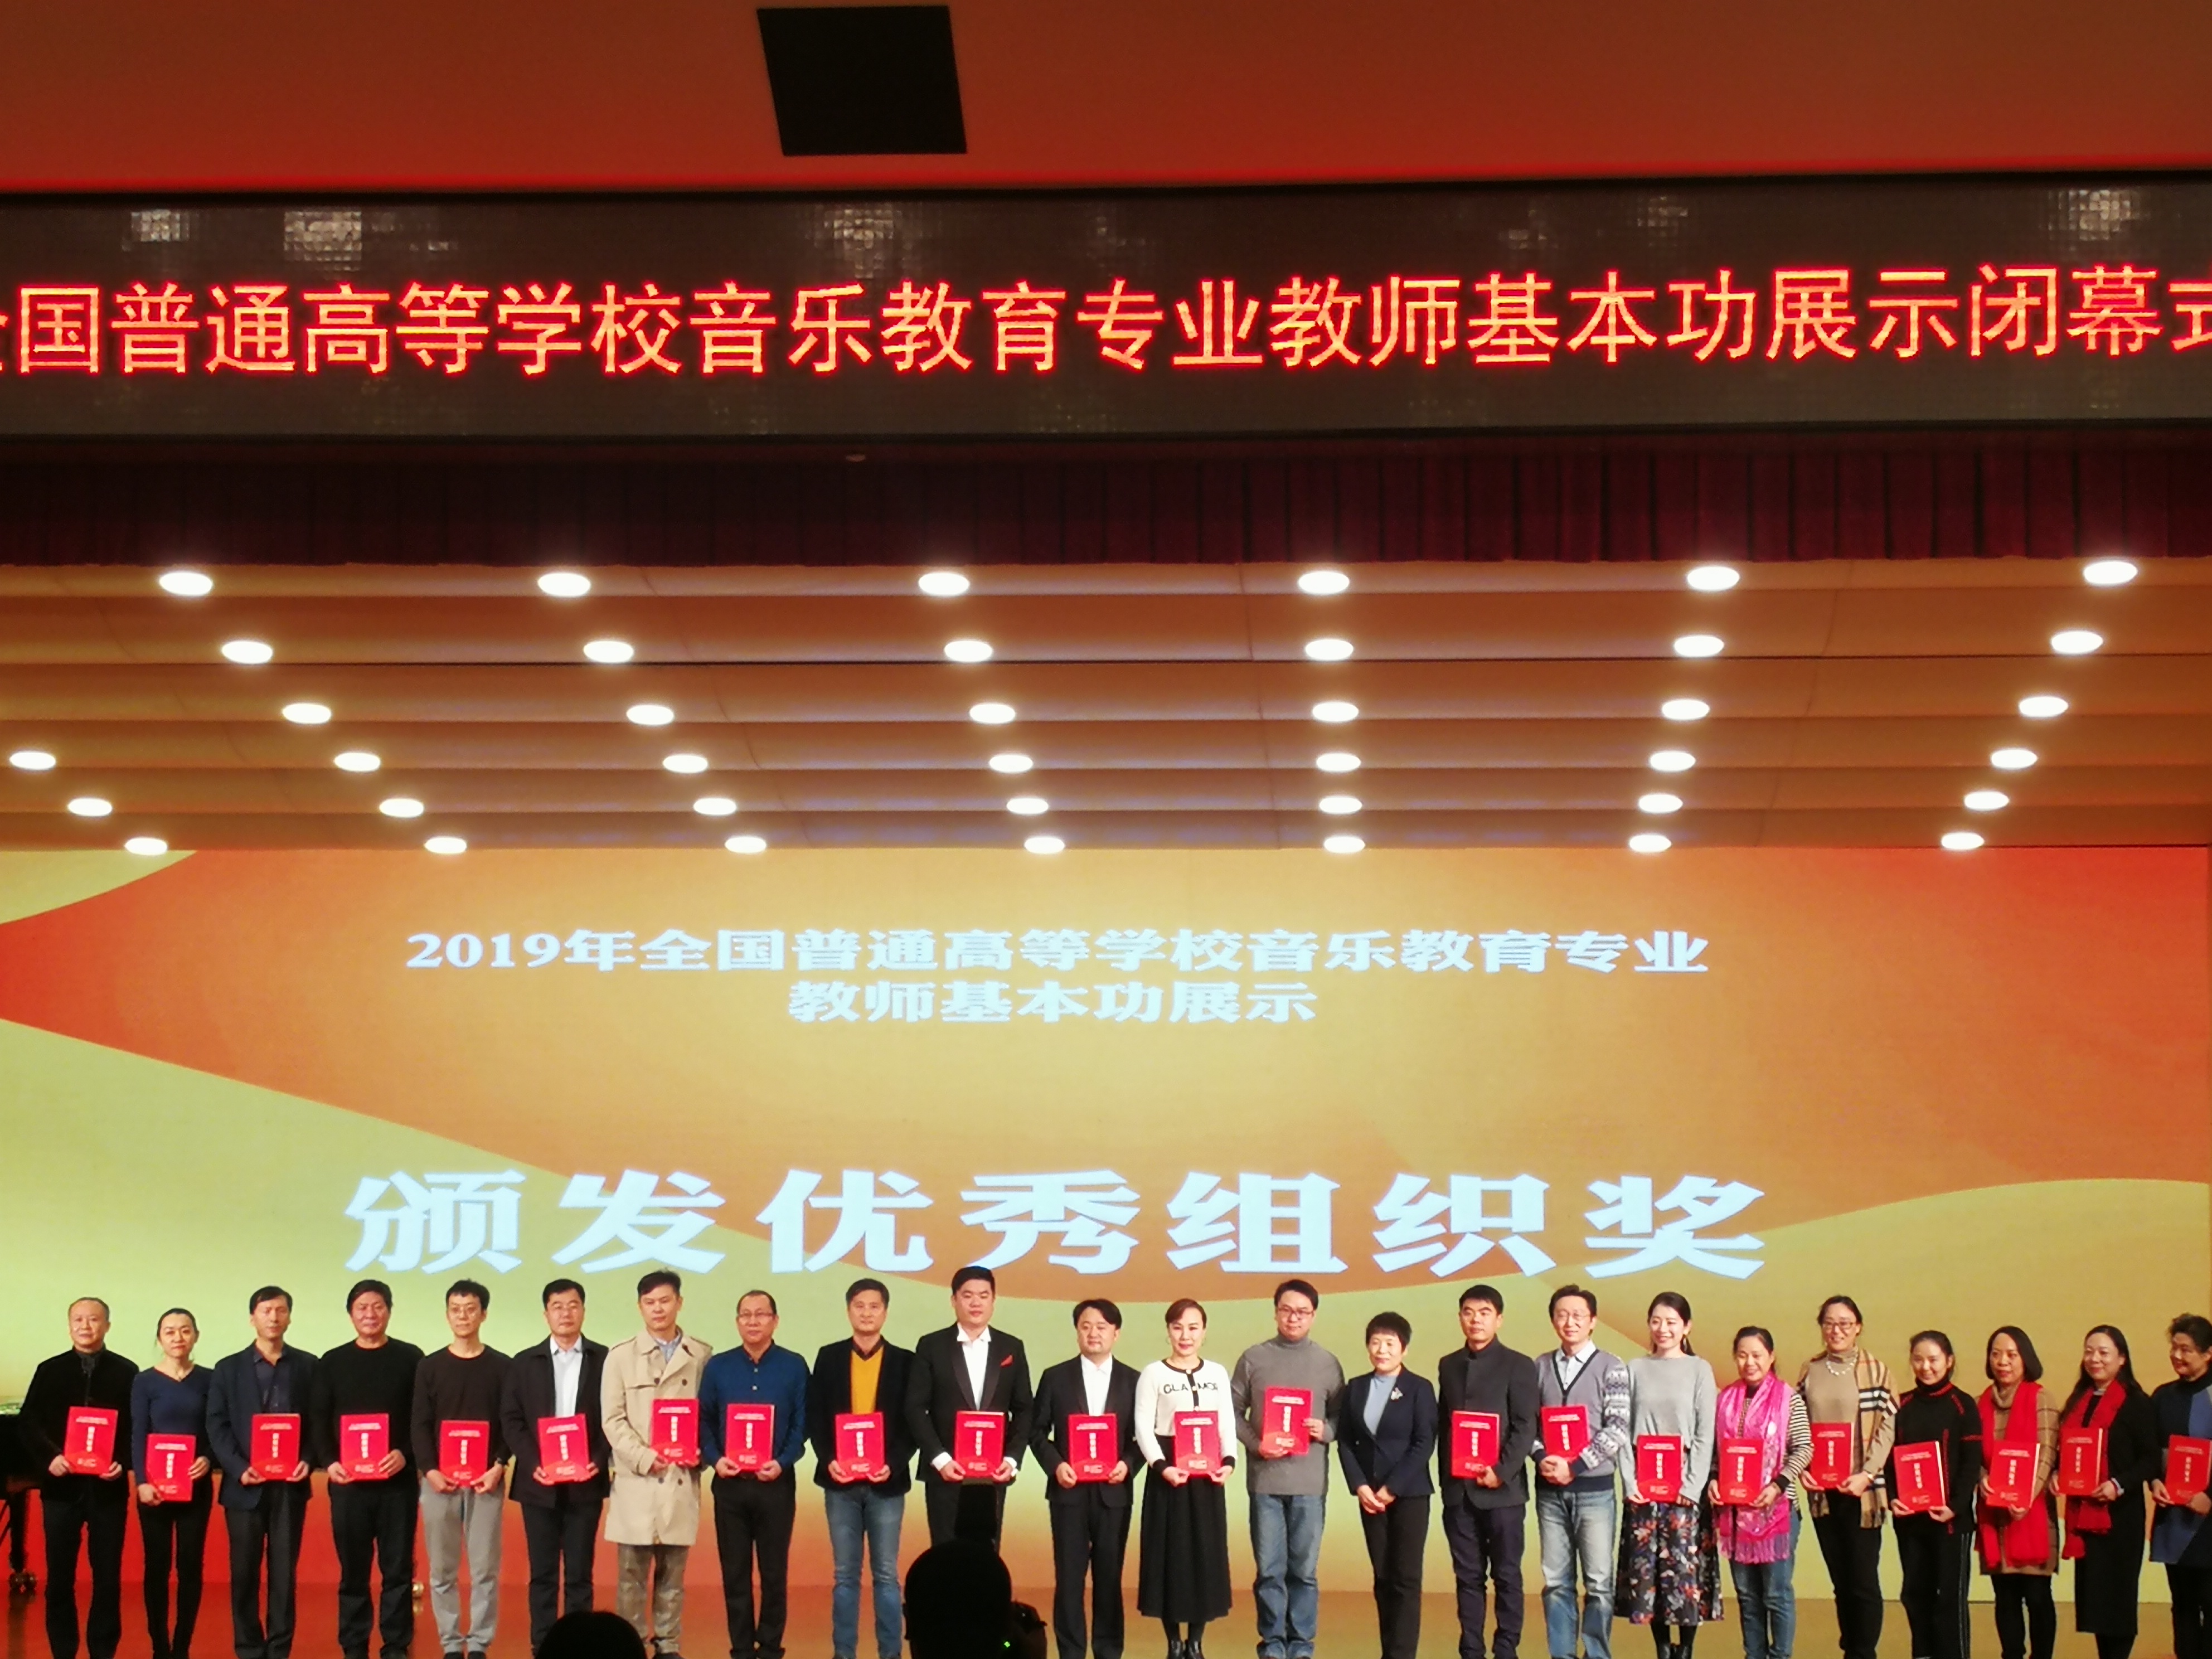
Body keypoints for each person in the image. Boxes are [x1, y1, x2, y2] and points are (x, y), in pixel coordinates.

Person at [1230, 1279, 1344, 1659]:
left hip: (1310, 1484)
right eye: (1287, 1310)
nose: (1294, 1318)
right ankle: (1273, 1644)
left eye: (1302, 1312)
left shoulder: (1327, 1363)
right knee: (1269, 1571)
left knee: (1304, 1573)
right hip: (1265, 1482)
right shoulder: (1254, 1358)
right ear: (1276, 1311)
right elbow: (1230, 1412)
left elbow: (1342, 1416)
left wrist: (1326, 1431)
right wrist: (1256, 1444)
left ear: (1313, 1316)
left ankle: (1301, 1645)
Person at [601, 1269, 713, 1659]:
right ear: (640, 1307)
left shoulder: (702, 1355)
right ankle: (630, 1645)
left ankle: (668, 1645)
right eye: (650, 1302)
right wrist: (645, 1457)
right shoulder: (620, 1356)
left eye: (665, 1301)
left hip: (681, 1478)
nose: (658, 1309)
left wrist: (701, 1453)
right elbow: (612, 1420)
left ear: (679, 1302)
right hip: (638, 1479)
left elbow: (711, 1416)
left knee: (672, 1577)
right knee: (630, 1577)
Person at [311, 1279, 424, 1659]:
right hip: (349, 1485)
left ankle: (396, 1645)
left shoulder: (411, 1358)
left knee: (398, 1570)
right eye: (362, 1307)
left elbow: (421, 1417)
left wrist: (405, 1454)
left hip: (397, 1484)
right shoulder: (332, 1362)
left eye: (378, 1306)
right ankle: (354, 1645)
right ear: (350, 1314)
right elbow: (318, 1418)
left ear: (389, 1311)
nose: (370, 1314)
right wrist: (330, 1462)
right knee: (353, 1572)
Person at [21, 1297, 137, 1659]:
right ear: (69, 1325)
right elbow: (29, 1422)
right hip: (61, 1489)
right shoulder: (49, 1370)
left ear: (108, 1325)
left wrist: (123, 1461)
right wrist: (51, 1458)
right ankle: (63, 1650)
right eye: (79, 1320)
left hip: (108, 1491)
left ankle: (103, 1650)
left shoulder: (126, 1371)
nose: (86, 1326)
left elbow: (137, 1426)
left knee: (107, 1579)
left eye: (94, 1320)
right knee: (59, 1579)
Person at [806, 1278, 915, 1659]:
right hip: (841, 1484)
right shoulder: (829, 1357)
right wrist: (829, 1459)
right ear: (848, 1310)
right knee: (845, 1576)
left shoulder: (905, 1361)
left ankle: (890, 1653)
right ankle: (844, 1653)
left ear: (885, 1312)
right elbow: (816, 1416)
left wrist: (893, 1463)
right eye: (859, 1306)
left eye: (874, 1306)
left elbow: (913, 1422)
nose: (867, 1313)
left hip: (887, 1484)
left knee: (886, 1575)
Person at [502, 1278, 612, 1657]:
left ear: (584, 1310)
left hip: (586, 1482)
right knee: (543, 1574)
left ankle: (579, 1647)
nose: (566, 1313)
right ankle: (544, 1645)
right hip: (539, 1483)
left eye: (573, 1305)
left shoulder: (604, 1360)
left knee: (580, 1573)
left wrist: (597, 1460)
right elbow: (511, 1419)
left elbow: (614, 1417)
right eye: (557, 1306)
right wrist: (533, 1462)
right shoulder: (524, 1362)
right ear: (546, 1313)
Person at [700, 1289, 811, 1659]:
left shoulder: (794, 1366)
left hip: (775, 1484)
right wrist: (716, 1459)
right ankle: (742, 1648)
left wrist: (782, 1461)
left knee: (774, 1573)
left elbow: (802, 1424)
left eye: (761, 1314)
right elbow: (704, 1420)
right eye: (745, 1315)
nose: (753, 1321)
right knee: (735, 1574)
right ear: (737, 1322)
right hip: (730, 1485)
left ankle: (771, 1646)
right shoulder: (718, 1366)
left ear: (775, 1321)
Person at [206, 1286, 316, 1659]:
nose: (273, 1317)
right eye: (266, 1310)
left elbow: (318, 1421)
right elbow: (216, 1424)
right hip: (245, 1486)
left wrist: (308, 1459)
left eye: (281, 1310)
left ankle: (280, 1648)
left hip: (289, 1485)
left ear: (289, 1317)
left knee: (284, 1574)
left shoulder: (308, 1366)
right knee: (244, 1573)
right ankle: (249, 1649)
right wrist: (238, 1468)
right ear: (252, 1318)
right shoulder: (227, 1369)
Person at [1029, 1298, 1143, 1659]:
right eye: (1086, 1326)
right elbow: (1036, 1431)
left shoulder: (1134, 1380)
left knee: (1109, 1577)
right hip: (1069, 1492)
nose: (1094, 1333)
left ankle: (1108, 1650)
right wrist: (1056, 1465)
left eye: (1102, 1327)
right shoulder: (1055, 1377)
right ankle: (1071, 1652)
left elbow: (1143, 1437)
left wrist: (1128, 1464)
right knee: (1069, 1579)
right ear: (1077, 1331)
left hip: (1114, 1492)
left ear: (1116, 1333)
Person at [1435, 1283, 1538, 1659]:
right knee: (1468, 1577)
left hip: (1503, 1492)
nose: (1476, 1320)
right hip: (1459, 1492)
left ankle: (1506, 1648)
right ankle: (1471, 1649)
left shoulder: (1518, 1365)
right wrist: (1447, 1482)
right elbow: (1445, 1426)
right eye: (1468, 1312)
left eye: (1484, 1313)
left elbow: (1525, 1426)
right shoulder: (1449, 1365)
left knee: (1507, 1575)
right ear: (1460, 1317)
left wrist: (1502, 1471)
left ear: (1499, 1319)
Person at [1614, 1292, 1718, 1659]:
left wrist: (1692, 1486)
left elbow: (1705, 1433)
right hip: (1644, 1486)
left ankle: (1686, 1648)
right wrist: (1631, 1482)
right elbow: (1622, 1429)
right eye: (1656, 1321)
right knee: (1649, 1572)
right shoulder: (1635, 1368)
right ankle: (1661, 1646)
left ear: (1687, 1327)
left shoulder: (1699, 1369)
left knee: (1684, 1571)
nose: (1663, 1329)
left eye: (1672, 1322)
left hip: (1684, 1487)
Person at [413, 1278, 512, 1659]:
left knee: (485, 1568)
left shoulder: (502, 1366)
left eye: (471, 1309)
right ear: (447, 1315)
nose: (463, 1316)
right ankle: (452, 1643)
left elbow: (509, 1422)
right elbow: (420, 1424)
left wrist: (499, 1465)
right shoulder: (430, 1366)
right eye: (456, 1310)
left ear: (483, 1314)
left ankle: (480, 1643)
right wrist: (430, 1470)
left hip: (487, 1481)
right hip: (440, 1482)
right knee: (442, 1569)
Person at [906, 1265, 1035, 1549]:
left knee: (987, 1554)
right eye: (967, 1296)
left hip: (993, 1471)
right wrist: (940, 1459)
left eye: (983, 1296)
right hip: (946, 1470)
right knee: (945, 1554)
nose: (976, 1303)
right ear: (954, 1300)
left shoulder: (1011, 1347)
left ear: (994, 1301)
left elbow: (1025, 1408)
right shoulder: (931, 1346)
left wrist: (1012, 1459)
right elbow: (915, 1407)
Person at [1135, 1299, 1236, 1659]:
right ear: (1168, 1331)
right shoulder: (1153, 1374)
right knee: (1169, 1555)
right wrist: (1162, 1466)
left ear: (1204, 1332)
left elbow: (1226, 1422)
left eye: (1193, 1328)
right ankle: (1173, 1642)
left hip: (1207, 1475)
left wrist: (1229, 1461)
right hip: (1168, 1473)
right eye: (1178, 1327)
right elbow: (1143, 1427)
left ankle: (1195, 1642)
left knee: (1204, 1554)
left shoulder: (1217, 1373)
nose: (1185, 1335)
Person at [1534, 1284, 1631, 1659]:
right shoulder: (1540, 1366)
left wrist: (1574, 1465)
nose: (1570, 1322)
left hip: (1595, 1491)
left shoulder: (1612, 1367)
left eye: (1578, 1315)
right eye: (1562, 1315)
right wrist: (1542, 1457)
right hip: (1550, 1492)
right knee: (1556, 1583)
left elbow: (1617, 1428)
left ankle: (1597, 1654)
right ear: (1553, 1320)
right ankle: (1561, 1654)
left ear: (1593, 1322)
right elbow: (1527, 1426)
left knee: (1599, 1583)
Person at [1795, 1296, 1894, 1659]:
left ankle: (1864, 1652)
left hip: (1862, 1492)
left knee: (1863, 1581)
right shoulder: (1810, 1370)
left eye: (1845, 1324)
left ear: (1858, 1327)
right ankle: (1851, 1647)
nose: (1837, 1331)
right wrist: (1804, 1468)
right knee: (1841, 1581)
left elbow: (1887, 1428)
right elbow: (1797, 1424)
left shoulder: (1877, 1371)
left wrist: (1867, 1474)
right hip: (1824, 1492)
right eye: (1830, 1323)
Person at [1339, 1311, 1438, 1659]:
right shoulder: (1355, 1388)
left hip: (1409, 1495)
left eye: (1390, 1343)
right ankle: (1389, 1652)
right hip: (1370, 1497)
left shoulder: (1420, 1388)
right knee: (1383, 1577)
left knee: (1406, 1578)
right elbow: (1346, 1441)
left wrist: (1392, 1487)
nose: (1382, 1350)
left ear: (1404, 1349)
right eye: (1376, 1342)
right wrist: (1360, 1486)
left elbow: (1424, 1443)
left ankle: (1403, 1654)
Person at [1710, 1326, 1810, 1659]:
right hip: (1735, 1515)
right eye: (1742, 1355)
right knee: (1747, 1597)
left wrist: (1778, 1485)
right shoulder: (1725, 1399)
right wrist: (1714, 1479)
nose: (1749, 1362)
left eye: (1757, 1355)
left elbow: (1804, 1448)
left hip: (1777, 1512)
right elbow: (1716, 1452)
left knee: (1776, 1595)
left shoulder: (1789, 1399)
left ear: (1771, 1357)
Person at [2059, 1325, 2158, 1659]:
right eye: (2089, 1352)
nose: (2095, 1359)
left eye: (2104, 1353)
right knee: (2097, 1605)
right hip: (2085, 1517)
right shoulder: (2079, 1401)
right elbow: (2066, 1450)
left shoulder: (2136, 1403)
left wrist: (2118, 1485)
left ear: (2122, 1358)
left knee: (2118, 1603)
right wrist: (2058, 1474)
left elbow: (2150, 1460)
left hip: (2120, 1519)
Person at [1890, 1332, 1982, 1659]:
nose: (1926, 1367)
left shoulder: (1963, 1405)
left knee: (1950, 1601)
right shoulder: (1901, 1405)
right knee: (1915, 1596)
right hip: (1911, 1522)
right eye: (1918, 1360)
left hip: (1951, 1523)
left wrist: (1955, 1506)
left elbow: (1971, 1463)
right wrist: (1893, 1497)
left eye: (1933, 1360)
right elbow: (1889, 1460)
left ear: (1949, 1361)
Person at [132, 1307, 214, 1659]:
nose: (178, 1337)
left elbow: (217, 1428)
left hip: (196, 1487)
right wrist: (141, 1481)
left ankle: (182, 1647)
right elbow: (138, 1432)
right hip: (154, 1489)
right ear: (159, 1338)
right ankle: (160, 1647)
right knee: (157, 1567)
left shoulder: (210, 1379)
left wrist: (209, 1458)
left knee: (190, 1566)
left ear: (196, 1336)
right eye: (170, 1331)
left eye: (185, 1330)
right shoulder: (144, 1381)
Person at [1976, 1326, 2060, 1659]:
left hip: (2033, 1513)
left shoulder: (2041, 1398)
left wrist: (2026, 1496)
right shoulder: (1980, 1402)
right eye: (1996, 1354)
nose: (2003, 1362)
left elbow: (2048, 1453)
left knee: (2038, 1597)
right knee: (2005, 1597)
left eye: (2012, 1355)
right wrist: (1981, 1478)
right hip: (1994, 1514)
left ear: (2026, 1359)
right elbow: (1974, 1455)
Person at [2150, 1314, 2212, 1659]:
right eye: (2174, 1348)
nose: (2177, 1356)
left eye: (2186, 1349)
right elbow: (2150, 1451)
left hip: (2208, 1518)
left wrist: (2210, 1497)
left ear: (2208, 1353)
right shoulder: (2163, 1397)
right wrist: (2155, 1481)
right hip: (2175, 1520)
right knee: (2183, 1605)